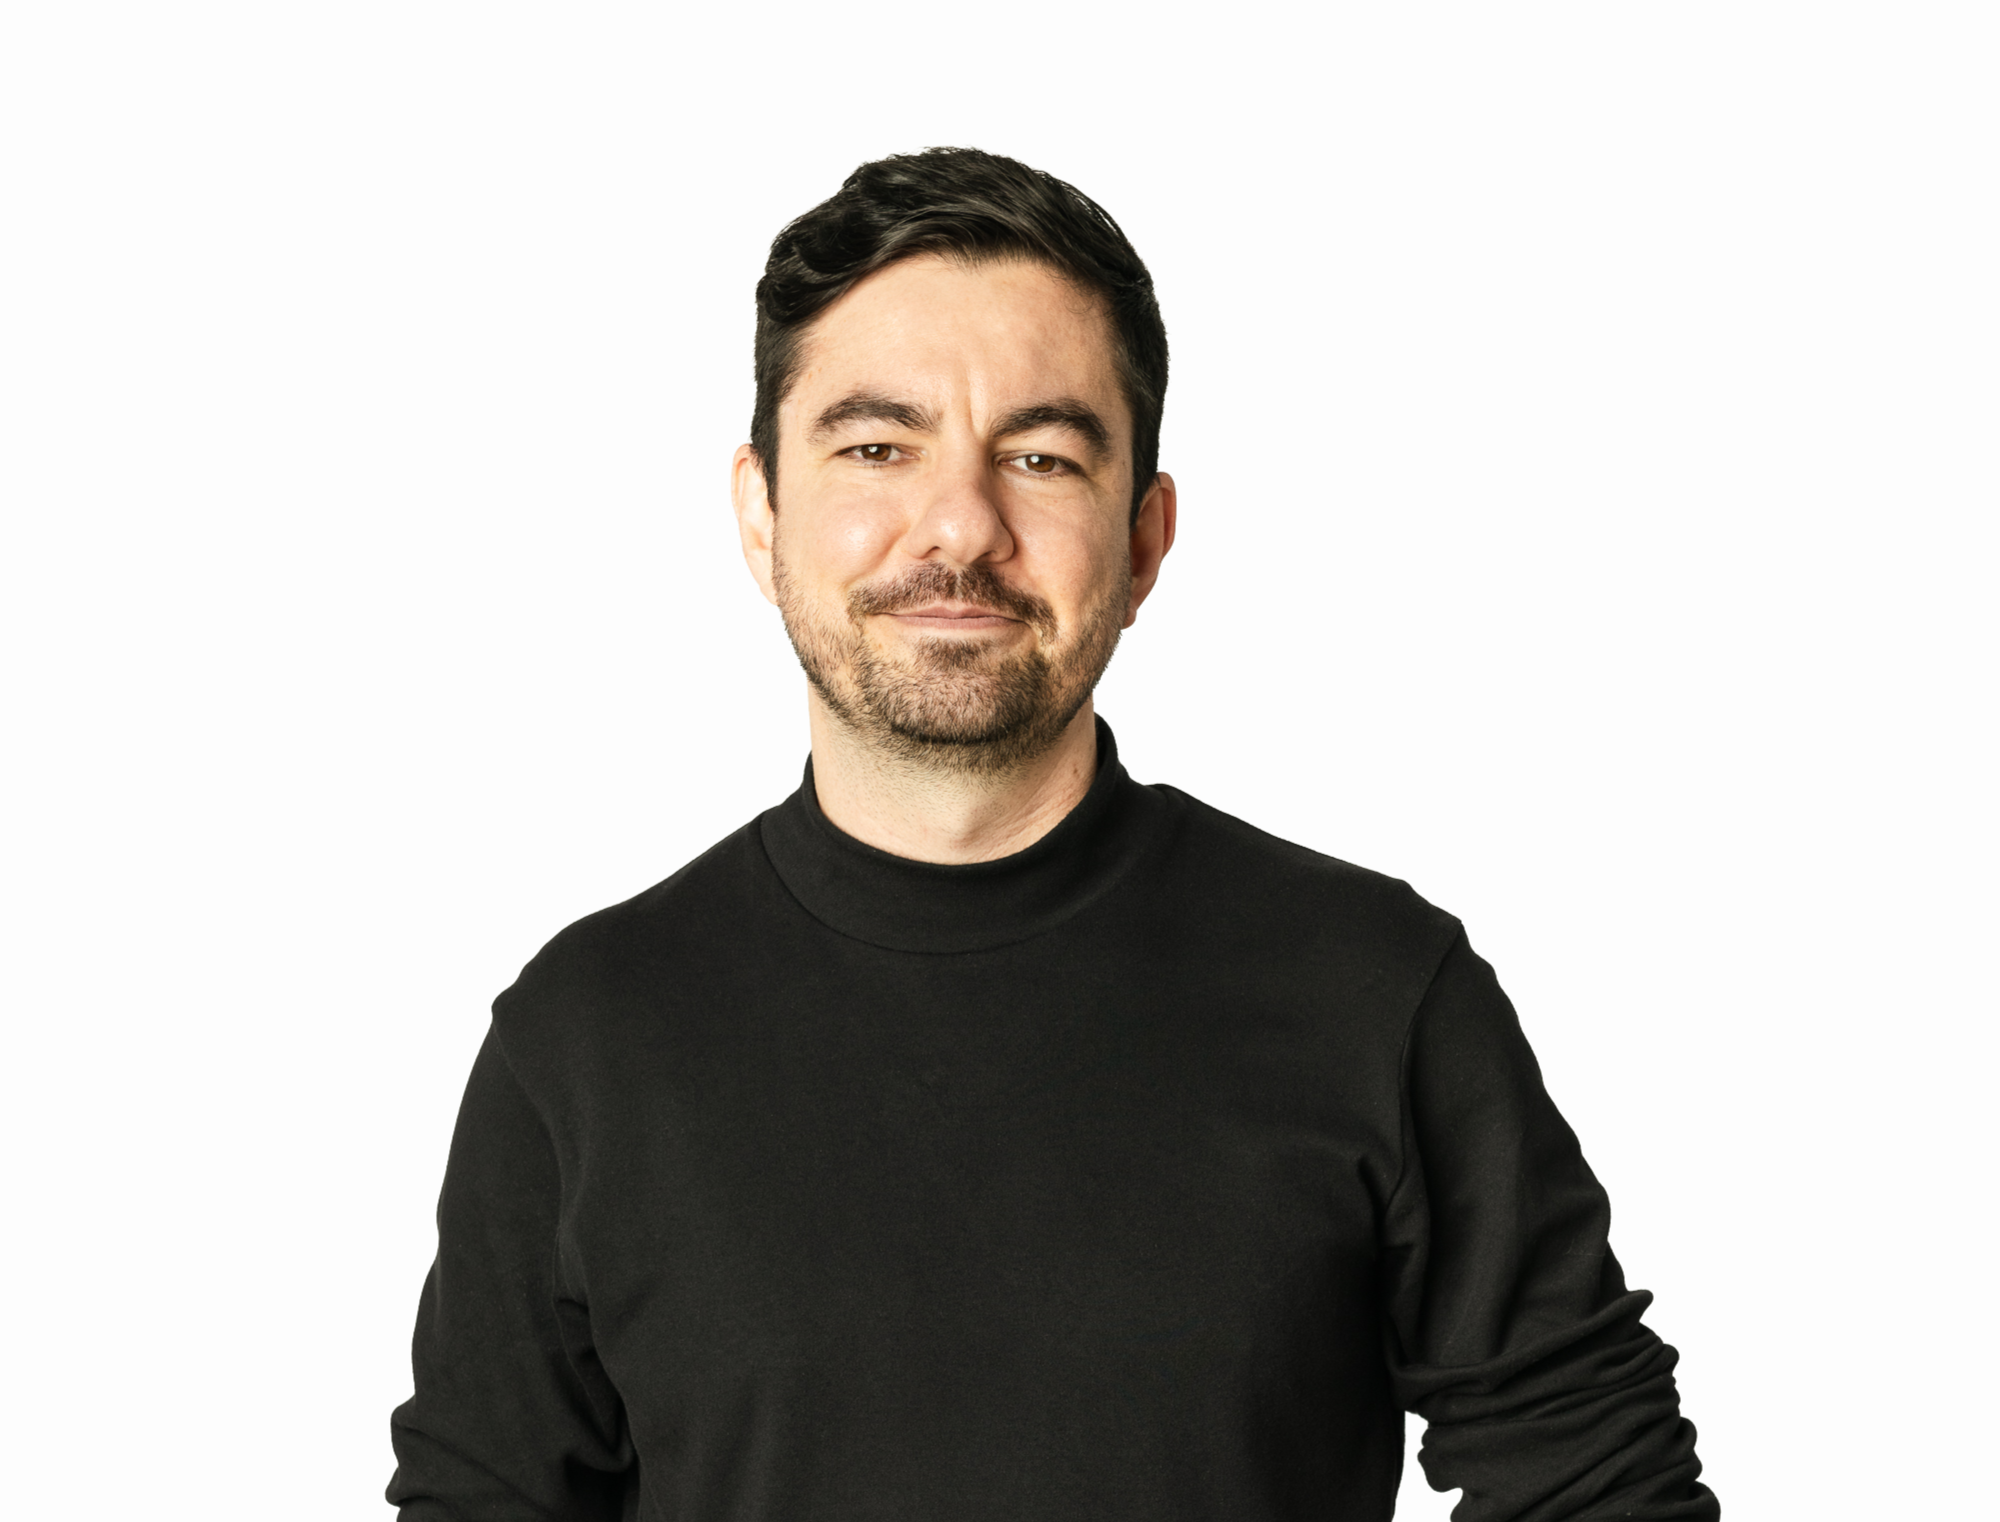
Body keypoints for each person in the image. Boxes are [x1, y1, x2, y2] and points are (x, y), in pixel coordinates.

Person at [386, 147, 1718, 1522]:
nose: (961, 525)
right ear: (762, 515)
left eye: (1040, 456)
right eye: (876, 446)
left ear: (1143, 539)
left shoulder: (1374, 992)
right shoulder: (585, 1038)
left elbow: (1601, 1490)